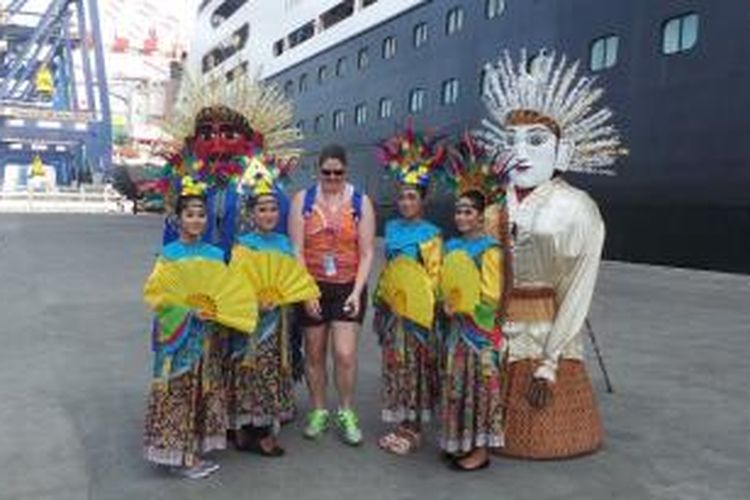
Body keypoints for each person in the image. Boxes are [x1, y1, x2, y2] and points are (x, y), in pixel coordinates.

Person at [476, 49, 626, 459]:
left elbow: (577, 289)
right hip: (495, 327)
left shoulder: (578, 208)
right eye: (511, 141)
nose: (520, 152)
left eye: (536, 140)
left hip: (546, 329)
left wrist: (550, 360)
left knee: (544, 430)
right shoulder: (490, 208)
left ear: (562, 149)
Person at [288, 144, 376, 445]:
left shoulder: (361, 202)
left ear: (346, 171)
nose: (332, 177)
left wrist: (356, 292)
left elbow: (366, 253)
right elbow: (297, 250)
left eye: (338, 172)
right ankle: (318, 410)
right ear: (318, 171)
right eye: (327, 172)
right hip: (312, 285)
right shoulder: (303, 200)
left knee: (345, 354)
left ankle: (347, 411)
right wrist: (305, 290)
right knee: (313, 353)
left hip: (348, 287)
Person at [142, 188, 228, 479]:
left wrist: (217, 311)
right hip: (178, 335)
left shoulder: (216, 254)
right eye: (189, 215)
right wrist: (189, 312)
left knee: (202, 389)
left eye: (201, 215)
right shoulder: (168, 255)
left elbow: (225, 294)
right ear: (178, 219)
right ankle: (179, 456)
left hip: (207, 335)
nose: (196, 220)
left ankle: (191, 449)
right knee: (178, 390)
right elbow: (157, 297)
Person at [373, 125, 444, 455]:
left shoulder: (432, 234)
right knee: (396, 365)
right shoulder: (390, 227)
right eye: (401, 196)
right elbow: (390, 271)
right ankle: (401, 420)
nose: (404, 202)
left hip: (417, 316)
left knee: (416, 368)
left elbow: (432, 278)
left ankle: (414, 427)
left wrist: (417, 305)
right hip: (393, 312)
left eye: (411, 196)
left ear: (424, 199)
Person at [224, 159, 300, 457]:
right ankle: (249, 430)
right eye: (262, 209)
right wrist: (255, 300)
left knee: (270, 370)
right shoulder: (242, 244)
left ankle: (260, 428)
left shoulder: (285, 243)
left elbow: (292, 281)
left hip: (278, 319)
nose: (268, 214)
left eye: (272, 208)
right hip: (250, 320)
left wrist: (282, 297)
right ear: (251, 213)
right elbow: (234, 286)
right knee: (248, 370)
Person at [438, 140, 505, 471]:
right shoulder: (451, 247)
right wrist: (445, 302)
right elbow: (445, 284)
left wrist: (464, 306)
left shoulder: (490, 250)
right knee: (458, 387)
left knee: (480, 390)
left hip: (478, 332)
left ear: (481, 217)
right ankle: (459, 442)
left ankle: (480, 452)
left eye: (468, 211)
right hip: (455, 330)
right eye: (459, 210)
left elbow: (492, 295)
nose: (461, 216)